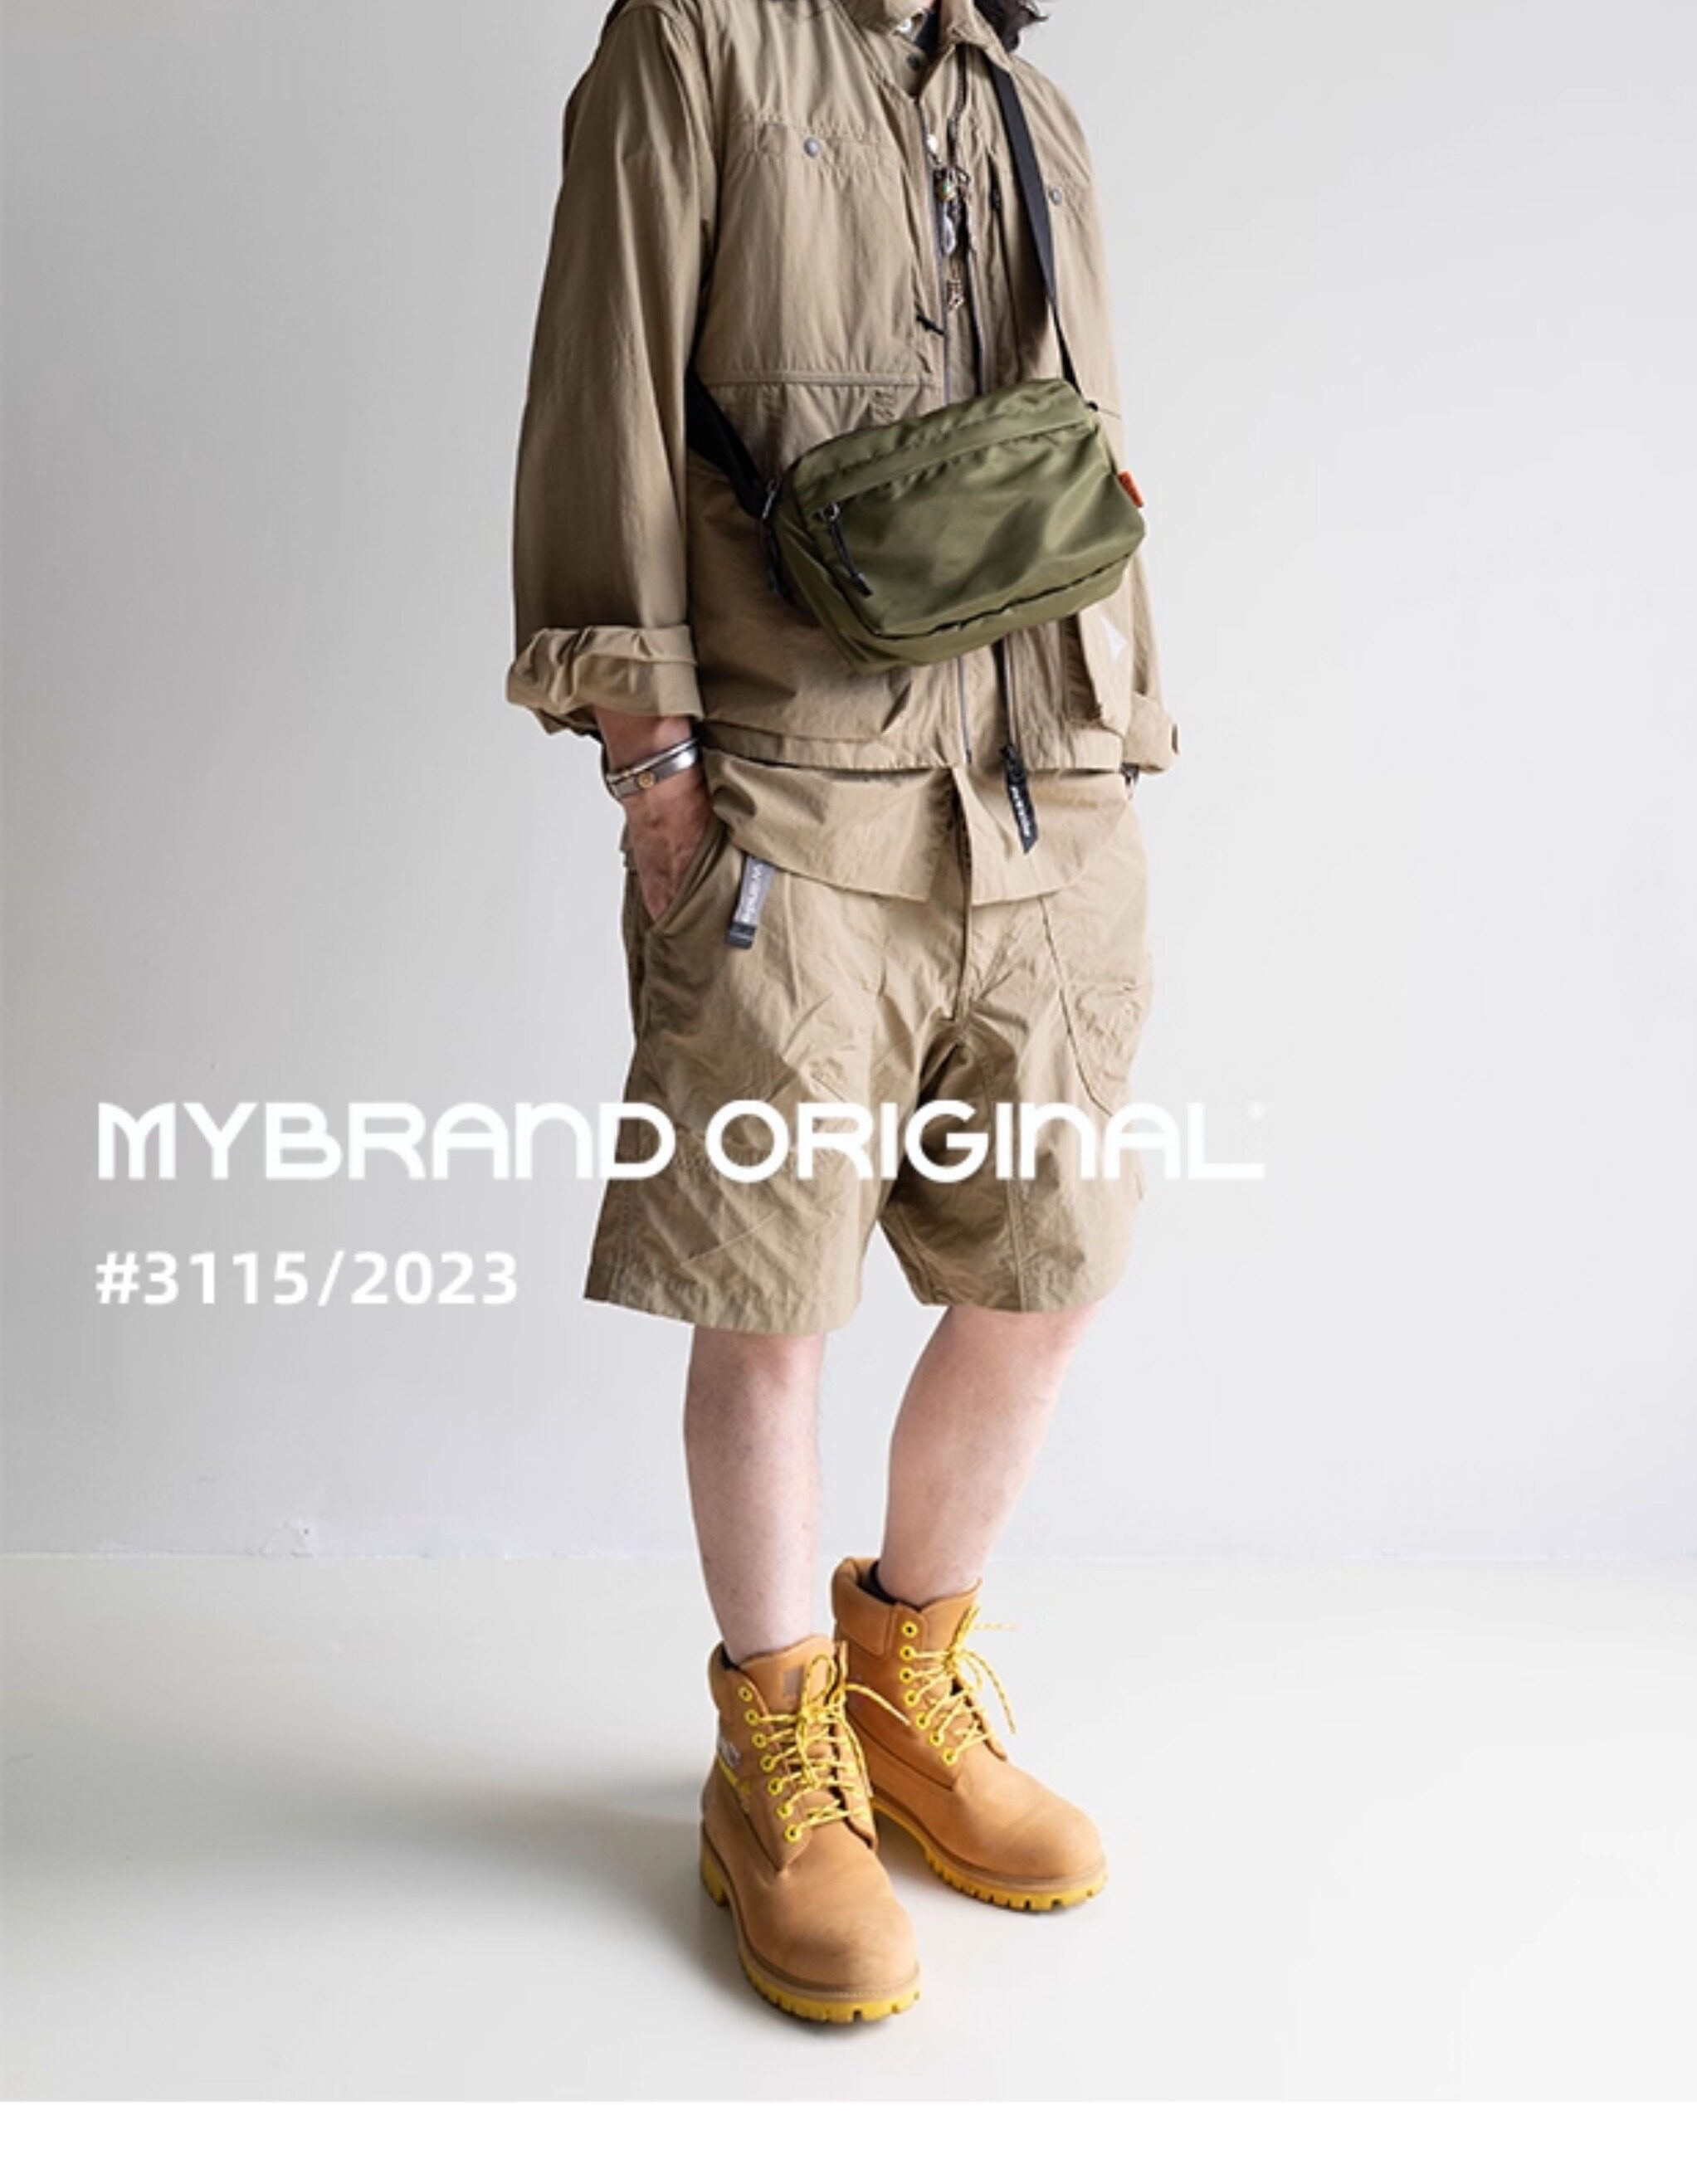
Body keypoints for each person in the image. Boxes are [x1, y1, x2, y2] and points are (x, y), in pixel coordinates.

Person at [506, 0, 1177, 2024]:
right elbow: (605, 385)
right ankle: (778, 1756)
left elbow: (1078, 438)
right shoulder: (694, 42)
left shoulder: (1027, 99)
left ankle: (904, 1677)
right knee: (770, 1295)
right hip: (793, 795)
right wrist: (649, 756)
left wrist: (1120, 729)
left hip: (1040, 791)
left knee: (1044, 1270)